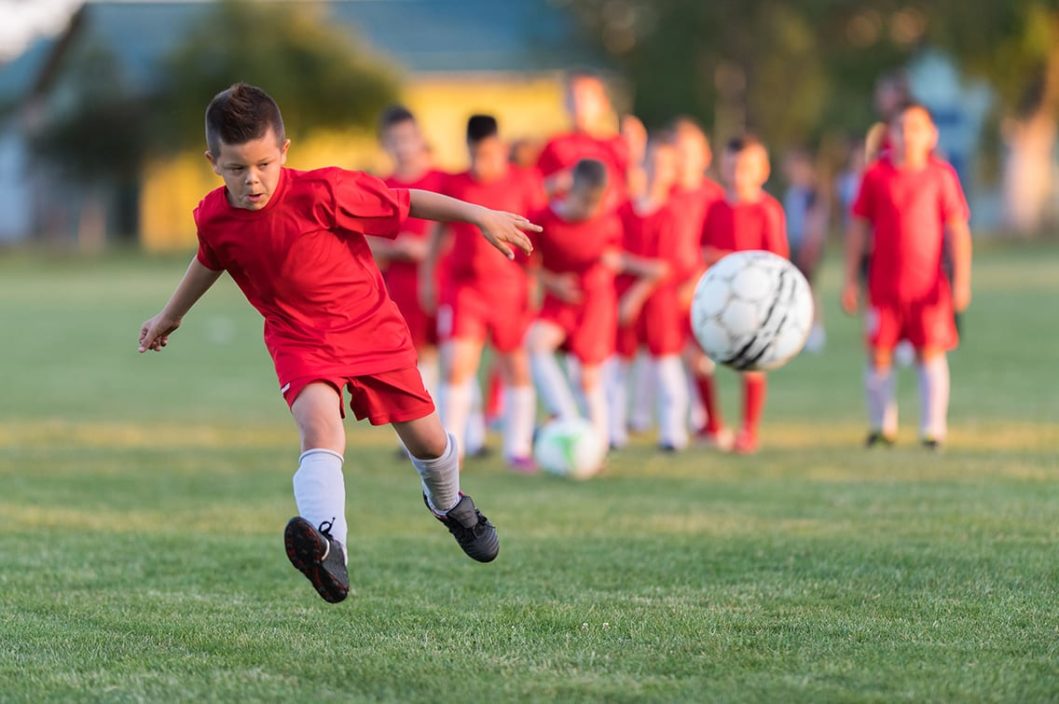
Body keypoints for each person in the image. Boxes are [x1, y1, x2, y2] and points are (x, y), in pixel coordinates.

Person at [138, 84, 539, 604]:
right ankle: (330, 550)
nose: (252, 180)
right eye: (236, 169)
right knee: (320, 429)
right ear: (213, 162)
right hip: (299, 337)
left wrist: (479, 214)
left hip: (372, 328)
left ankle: (449, 503)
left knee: (429, 443)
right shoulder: (215, 216)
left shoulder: (324, 190)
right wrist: (170, 316)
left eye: (263, 164)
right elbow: (210, 258)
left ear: (284, 151)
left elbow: (408, 201)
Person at [842, 102, 972, 449]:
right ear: (890, 134)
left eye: (916, 128)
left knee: (929, 352)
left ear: (931, 135)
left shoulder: (941, 176)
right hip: (883, 287)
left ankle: (933, 428)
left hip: (928, 287)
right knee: (879, 355)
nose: (908, 135)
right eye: (901, 127)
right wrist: (850, 279)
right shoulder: (875, 175)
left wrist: (962, 280)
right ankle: (882, 426)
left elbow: (957, 231)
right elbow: (858, 229)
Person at [421, 115, 543, 470]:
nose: (480, 163)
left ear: (501, 149)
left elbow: (537, 237)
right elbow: (439, 235)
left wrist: (536, 282)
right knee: (456, 366)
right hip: (465, 290)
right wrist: (428, 276)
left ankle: (518, 450)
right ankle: (451, 451)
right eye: (474, 155)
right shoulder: (454, 182)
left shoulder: (525, 181)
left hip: (509, 289)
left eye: (488, 155)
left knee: (515, 367)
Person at [700, 136, 789, 454]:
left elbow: (777, 258)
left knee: (751, 363)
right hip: (716, 301)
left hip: (754, 301)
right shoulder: (714, 208)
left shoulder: (768, 210)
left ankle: (748, 430)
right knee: (697, 358)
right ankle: (711, 425)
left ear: (762, 170)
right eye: (732, 166)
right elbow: (702, 250)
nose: (738, 173)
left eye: (746, 167)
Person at [609, 140, 685, 451]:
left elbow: (665, 268)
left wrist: (635, 286)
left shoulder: (671, 214)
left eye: (664, 165)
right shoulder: (624, 209)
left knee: (666, 365)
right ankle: (613, 431)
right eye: (652, 162)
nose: (656, 171)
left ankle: (673, 433)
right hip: (622, 294)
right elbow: (609, 251)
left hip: (658, 301)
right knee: (617, 365)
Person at [664, 117, 729, 448]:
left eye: (689, 151)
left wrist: (699, 277)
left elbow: (715, 245)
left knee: (699, 357)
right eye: (677, 150)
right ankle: (672, 419)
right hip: (664, 285)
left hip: (700, 286)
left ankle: (710, 422)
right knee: (663, 357)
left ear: (704, 155)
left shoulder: (713, 196)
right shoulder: (664, 192)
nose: (682, 157)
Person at [781, 147, 828, 353]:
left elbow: (816, 220)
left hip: (808, 245)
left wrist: (812, 245)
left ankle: (816, 331)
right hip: (794, 244)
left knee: (809, 288)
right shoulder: (792, 192)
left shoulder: (813, 193)